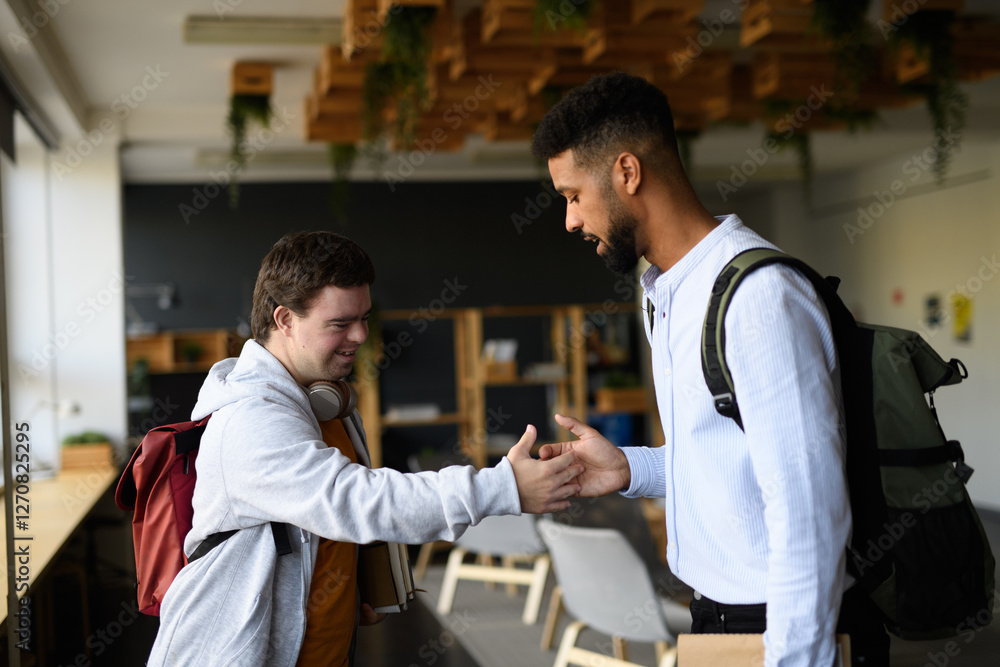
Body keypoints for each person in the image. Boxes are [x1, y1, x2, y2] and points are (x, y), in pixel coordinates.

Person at [532, 72, 889, 666]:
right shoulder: (664, 293)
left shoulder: (758, 298)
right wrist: (631, 467)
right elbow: (732, 458)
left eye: (572, 195)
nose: (570, 220)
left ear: (627, 172)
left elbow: (809, 508)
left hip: (785, 624)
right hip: (713, 616)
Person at [147, 231, 582, 666]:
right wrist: (503, 488)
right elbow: (358, 500)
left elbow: (309, 526)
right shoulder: (253, 420)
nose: (360, 335)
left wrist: (339, 587)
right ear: (285, 320)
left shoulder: (321, 400)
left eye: (364, 317)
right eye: (339, 323)